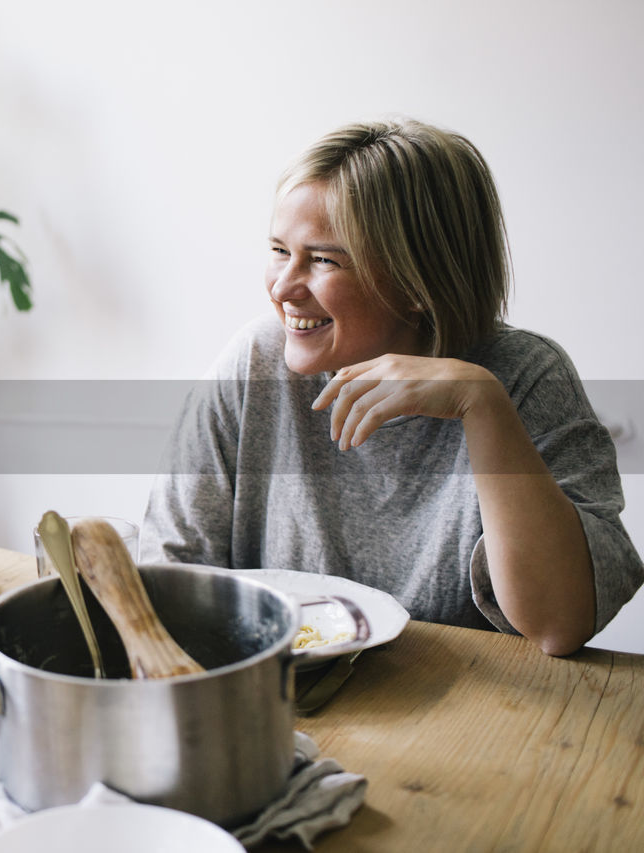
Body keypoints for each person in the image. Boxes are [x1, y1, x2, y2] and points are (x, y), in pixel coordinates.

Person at [141, 118, 642, 656]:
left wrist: (483, 406)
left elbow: (560, 624)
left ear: (415, 284)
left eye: (324, 259)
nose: (283, 288)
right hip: (281, 699)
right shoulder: (256, 362)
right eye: (280, 251)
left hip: (467, 714)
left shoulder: (524, 376)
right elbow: (169, 571)